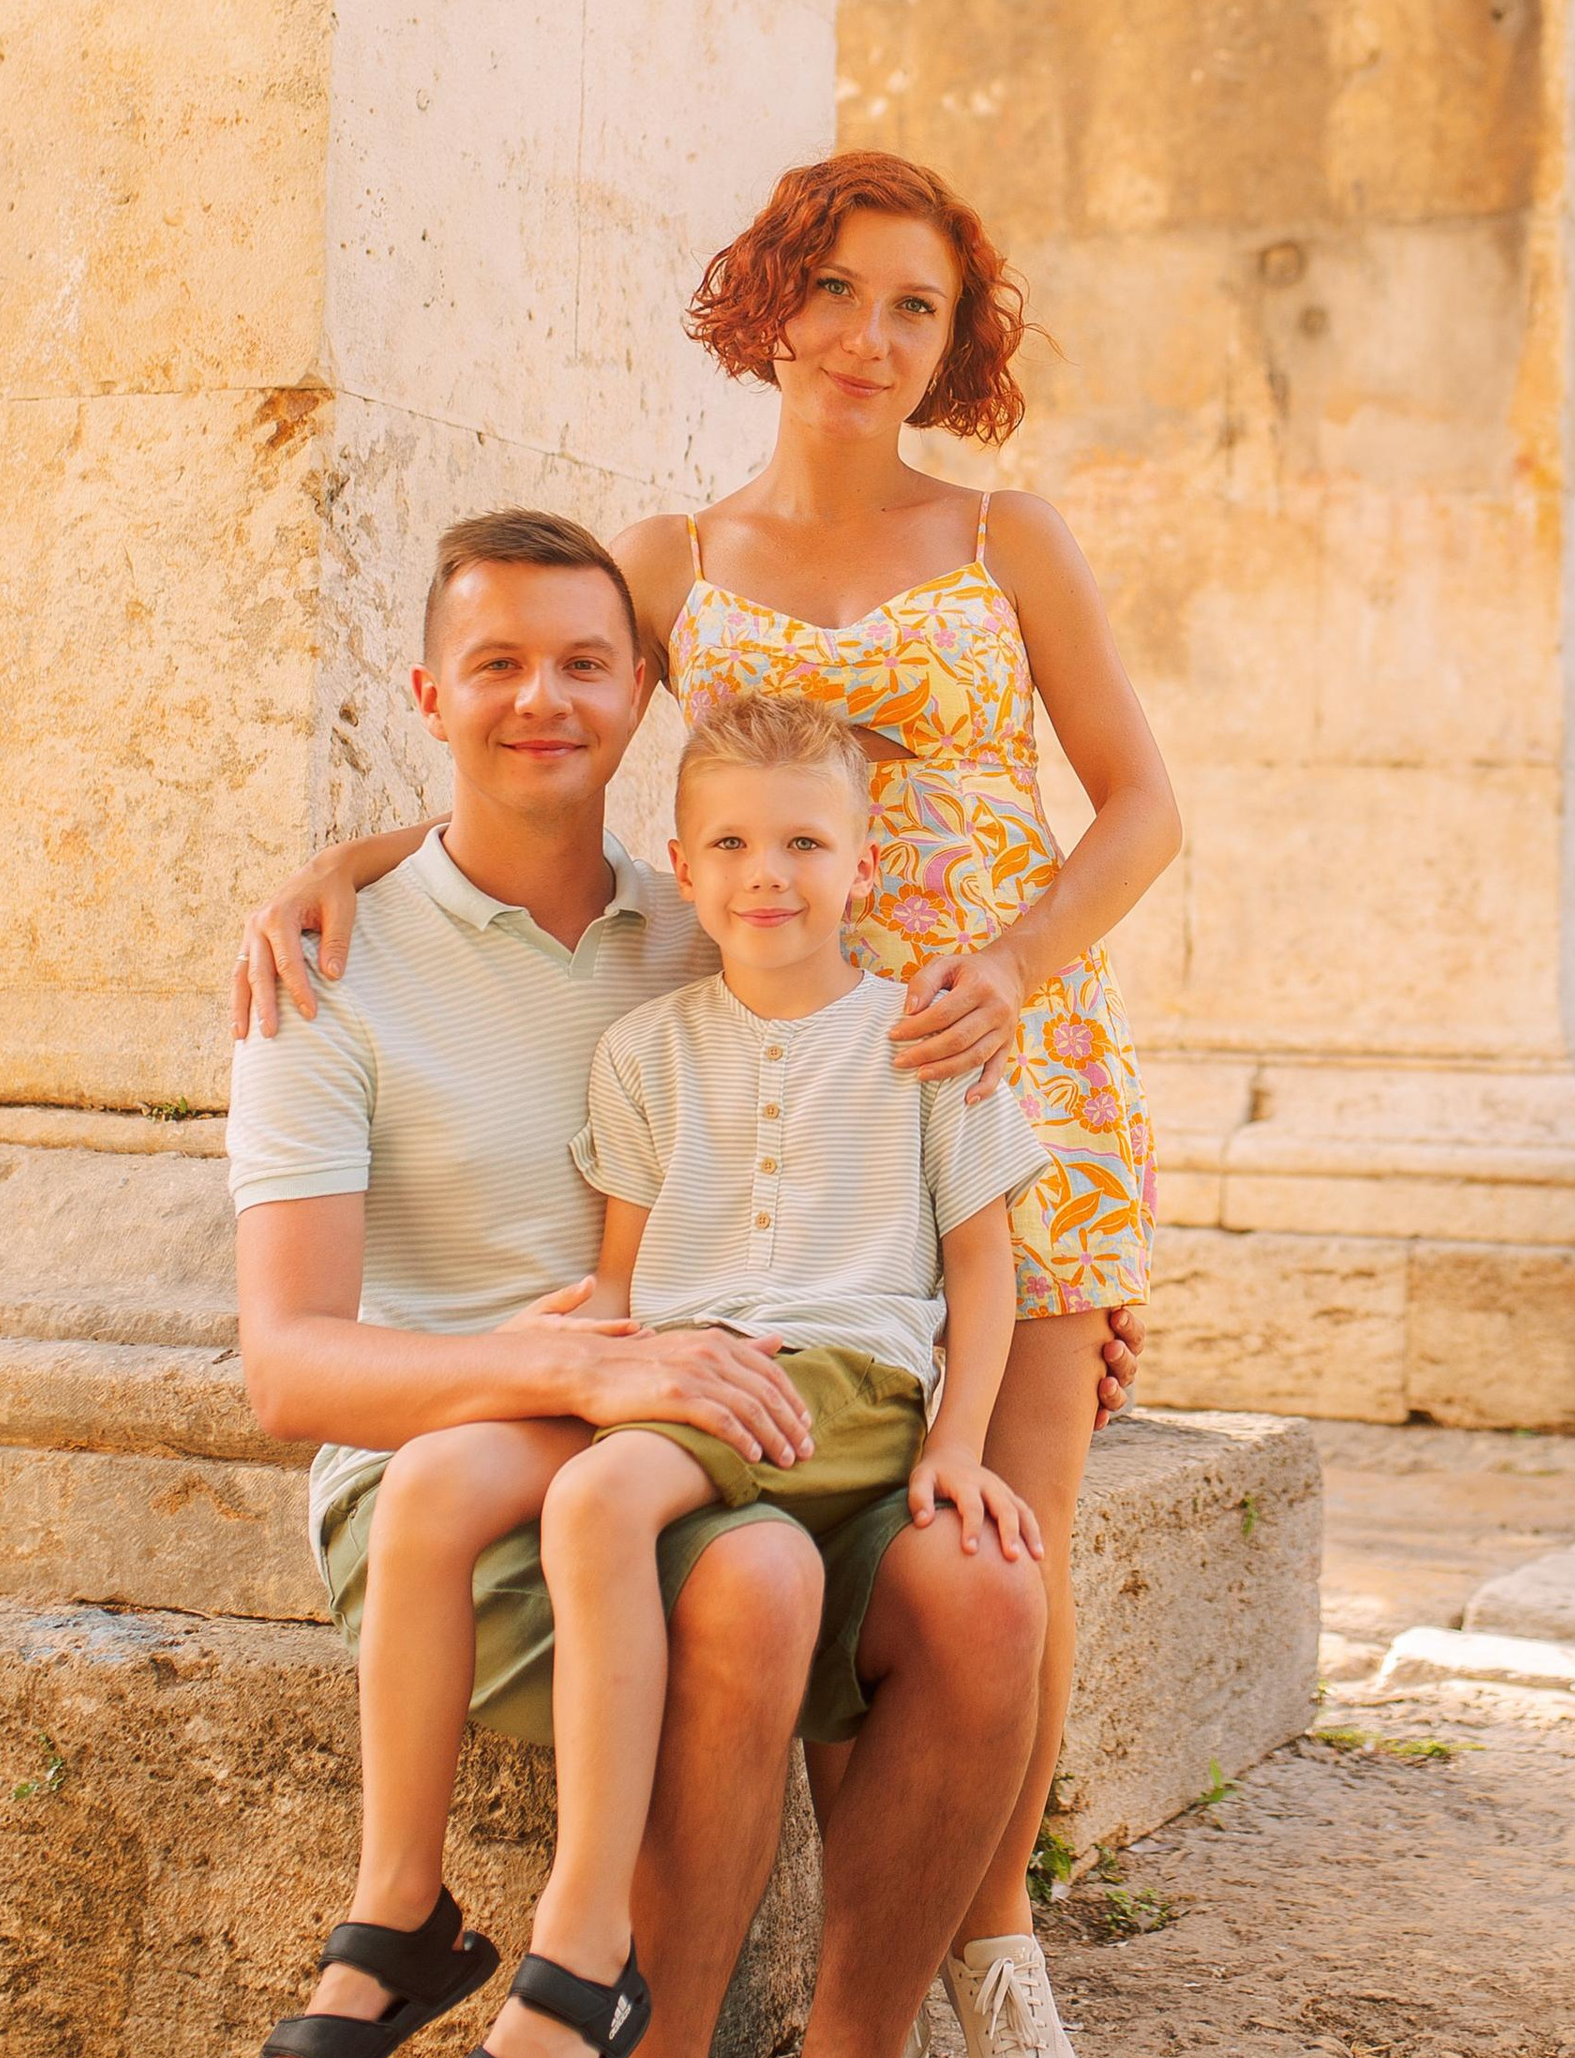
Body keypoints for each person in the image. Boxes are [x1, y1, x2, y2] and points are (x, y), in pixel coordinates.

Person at [239, 152, 1181, 2056]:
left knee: (997, 1538)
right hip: (765, 1056)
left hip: (992, 1054)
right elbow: (543, 733)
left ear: (955, 340)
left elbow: (1144, 807)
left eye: (915, 307)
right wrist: (346, 862)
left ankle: (988, 1949)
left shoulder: (1006, 538)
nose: (869, 337)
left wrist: (1013, 970)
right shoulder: (673, 557)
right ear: (771, 300)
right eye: (835, 289)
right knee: (815, 1522)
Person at [233, 511, 1049, 2058]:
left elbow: (922, 1175)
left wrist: (1059, 1336)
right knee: (753, 1576)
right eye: (497, 665)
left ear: (640, 693)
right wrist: (581, 1365)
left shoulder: (711, 925)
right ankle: (548, 1970)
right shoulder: (321, 965)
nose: (543, 698)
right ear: (427, 696)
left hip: (703, 1396)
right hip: (502, 1432)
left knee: (981, 1590)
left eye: (584, 666)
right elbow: (286, 1372)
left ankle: (848, 2037)